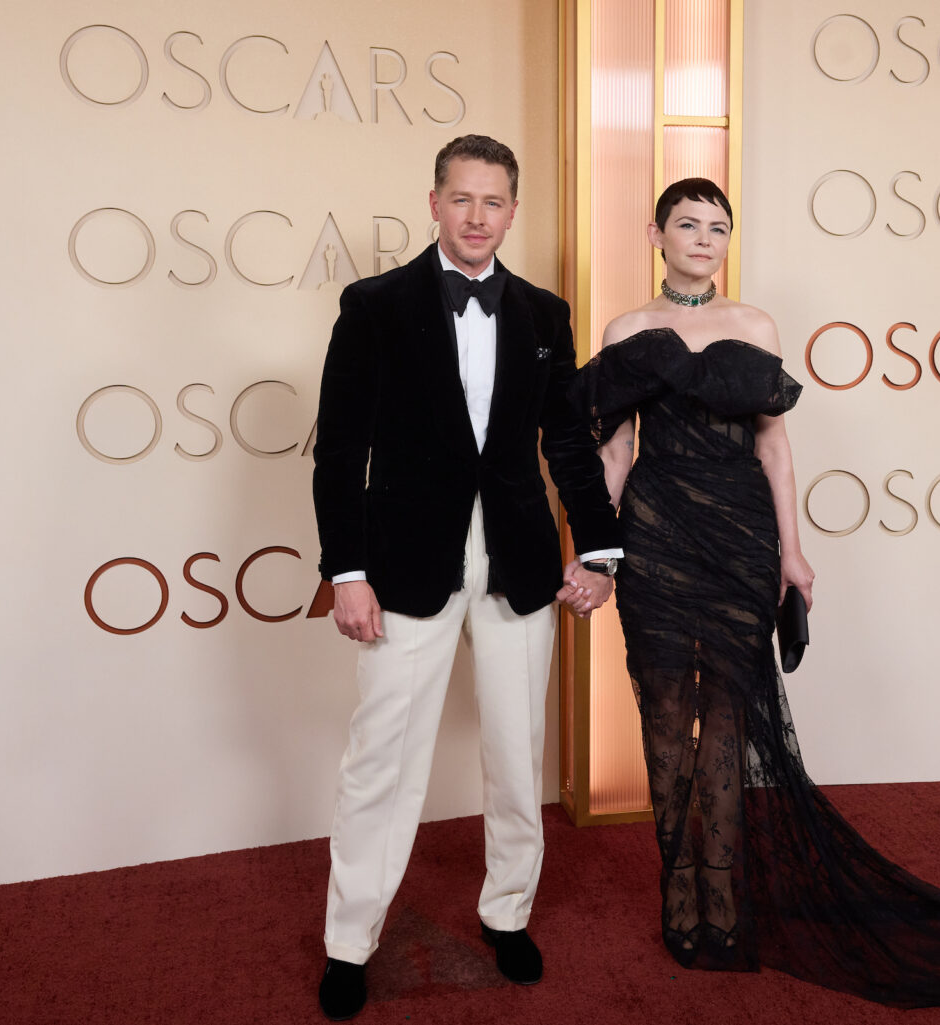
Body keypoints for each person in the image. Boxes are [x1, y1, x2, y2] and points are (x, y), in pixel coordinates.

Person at [567, 178, 940, 1007]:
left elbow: (776, 449)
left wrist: (792, 553)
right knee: (661, 718)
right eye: (687, 224)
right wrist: (595, 556)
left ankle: (721, 903)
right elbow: (613, 452)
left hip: (740, 538)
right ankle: (678, 898)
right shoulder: (626, 330)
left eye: (718, 227)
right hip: (655, 536)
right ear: (654, 233)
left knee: (726, 715)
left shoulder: (753, 324)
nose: (703, 239)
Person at [310, 134, 621, 1020]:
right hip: (405, 561)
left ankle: (509, 912)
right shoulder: (373, 305)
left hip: (518, 557)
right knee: (382, 757)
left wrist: (597, 549)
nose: (478, 216)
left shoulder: (544, 312)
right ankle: (348, 940)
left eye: (494, 202)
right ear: (434, 203)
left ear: (512, 212)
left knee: (519, 755)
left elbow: (566, 442)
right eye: (462, 199)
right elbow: (341, 449)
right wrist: (348, 570)